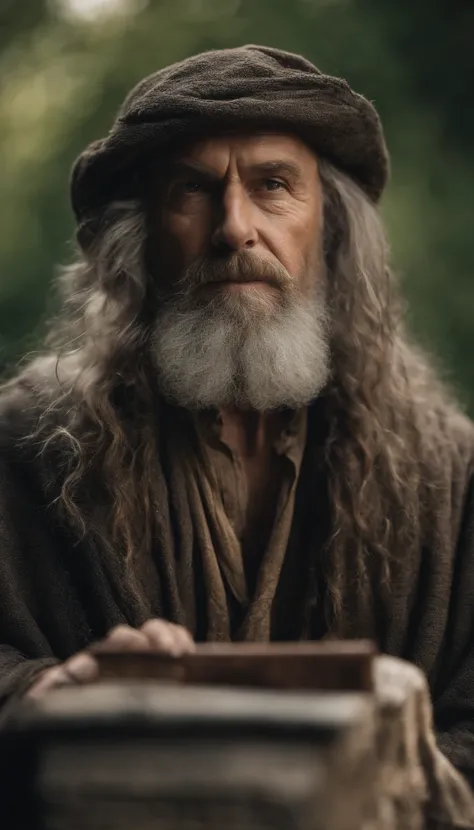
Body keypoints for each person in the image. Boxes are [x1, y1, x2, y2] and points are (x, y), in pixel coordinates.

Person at [0, 44, 474, 811]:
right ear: (140, 240)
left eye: (274, 186)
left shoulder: (453, 477)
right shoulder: (23, 446)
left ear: (331, 230)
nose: (235, 228)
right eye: (192, 190)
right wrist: (49, 693)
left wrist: (366, 777)